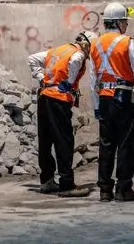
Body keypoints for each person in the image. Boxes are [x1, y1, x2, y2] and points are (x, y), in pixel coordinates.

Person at [85, 2, 134, 202]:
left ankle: (105, 190)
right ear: (120, 22)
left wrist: (96, 105)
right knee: (125, 144)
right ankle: (123, 189)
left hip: (104, 98)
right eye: (125, 22)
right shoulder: (127, 43)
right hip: (124, 99)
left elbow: (93, 78)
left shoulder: (95, 44)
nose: (126, 26)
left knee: (106, 144)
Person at [27, 31, 98, 197]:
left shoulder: (57, 50)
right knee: (64, 139)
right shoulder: (77, 54)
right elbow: (75, 62)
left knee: (46, 140)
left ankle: (46, 181)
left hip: (44, 96)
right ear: (87, 45)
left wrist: (41, 78)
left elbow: (31, 59)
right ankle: (67, 184)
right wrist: (70, 81)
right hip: (58, 99)